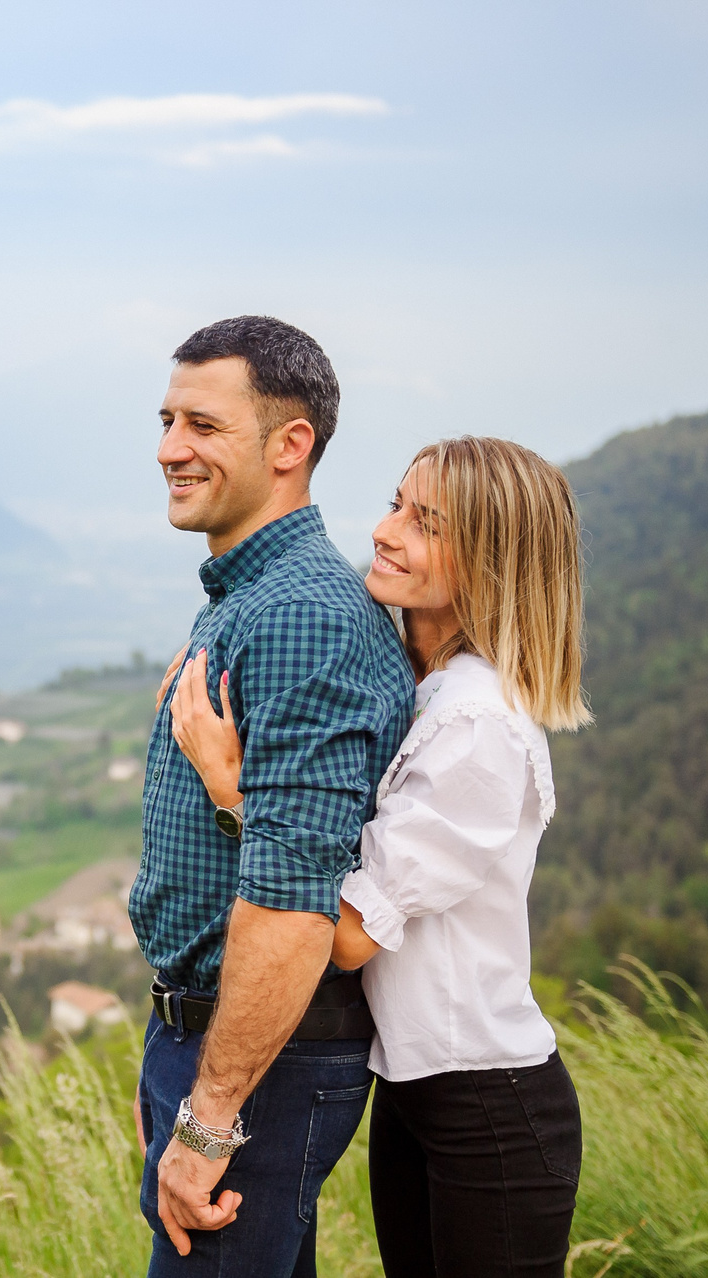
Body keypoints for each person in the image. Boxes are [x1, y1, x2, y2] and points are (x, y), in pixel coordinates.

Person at [171, 435, 590, 1277]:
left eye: (426, 524)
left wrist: (231, 789)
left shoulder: (477, 723)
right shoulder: (422, 685)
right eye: (398, 504)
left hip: (488, 1107)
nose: (385, 531)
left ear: (492, 563)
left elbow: (350, 935)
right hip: (413, 1091)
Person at [131, 316, 414, 1276]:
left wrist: (209, 1119)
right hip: (227, 1046)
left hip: (260, 1063)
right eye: (167, 421)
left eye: (203, 425)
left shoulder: (299, 616)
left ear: (290, 445)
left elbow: (293, 900)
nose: (170, 449)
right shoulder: (255, 597)